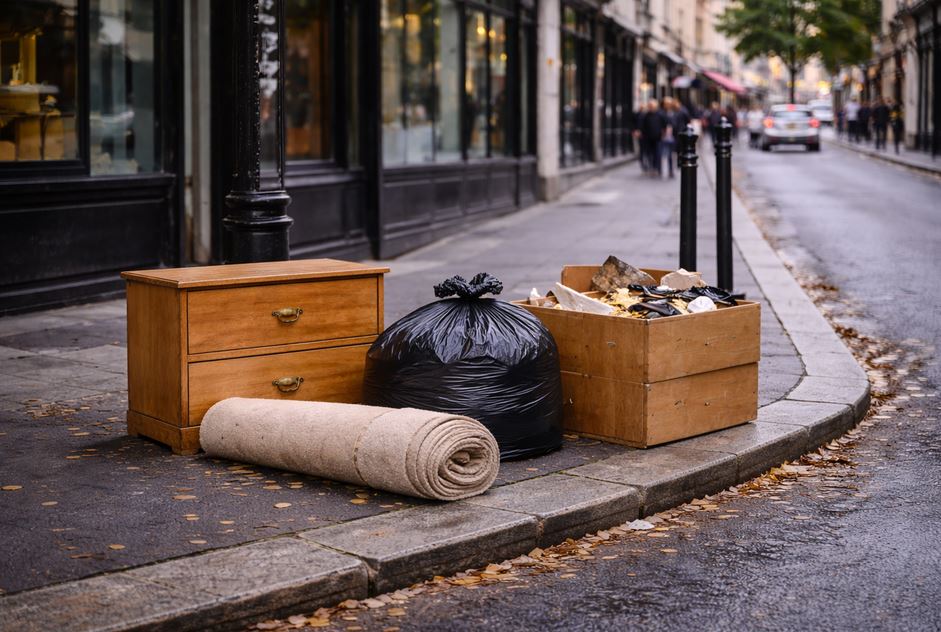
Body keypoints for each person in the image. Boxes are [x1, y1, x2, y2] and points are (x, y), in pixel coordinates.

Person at [640, 99, 667, 177]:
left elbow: (665, 125)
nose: (651, 107)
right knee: (649, 154)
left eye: (652, 106)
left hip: (658, 138)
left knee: (657, 154)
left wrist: (663, 134)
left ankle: (657, 168)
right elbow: (643, 125)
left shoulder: (660, 114)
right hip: (648, 138)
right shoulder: (646, 115)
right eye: (650, 106)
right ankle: (651, 168)